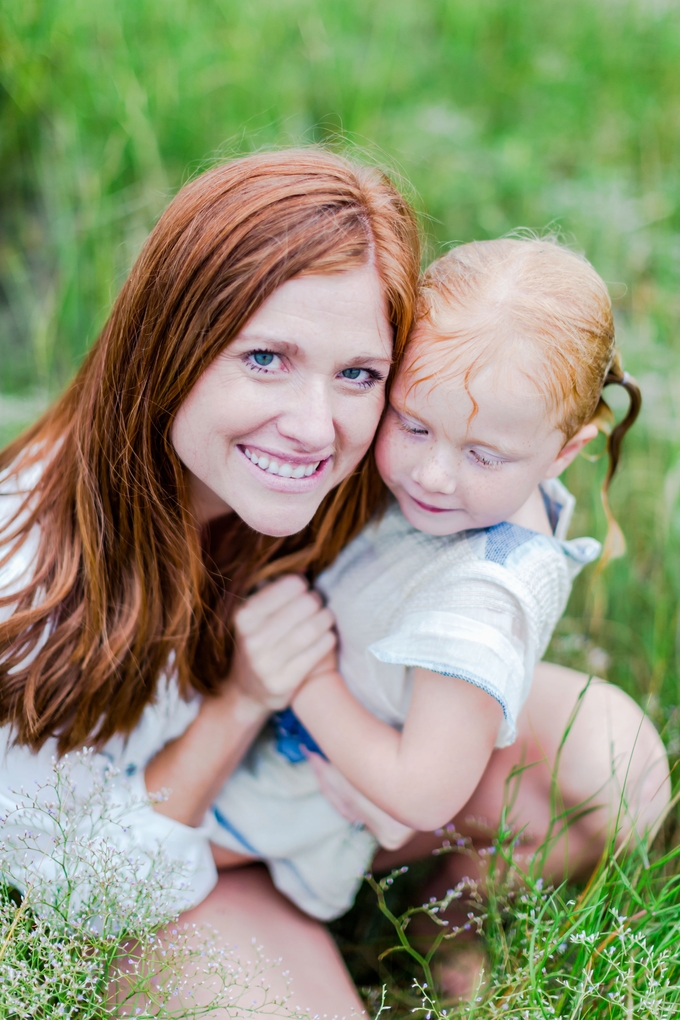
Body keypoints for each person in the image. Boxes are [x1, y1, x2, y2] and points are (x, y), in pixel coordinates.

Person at [0, 148, 421, 1015]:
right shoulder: (24, 585)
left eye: (357, 374)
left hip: (296, 800)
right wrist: (241, 702)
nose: (315, 429)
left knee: (609, 768)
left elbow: (520, 450)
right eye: (265, 358)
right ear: (171, 344)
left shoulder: (375, 457)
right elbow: (84, 897)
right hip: (165, 863)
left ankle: (457, 955)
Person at [207, 240, 671, 942]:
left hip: (296, 795)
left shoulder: (481, 600)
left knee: (137, 850)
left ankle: (436, 940)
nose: (432, 475)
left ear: (565, 452)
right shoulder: (480, 477)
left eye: (482, 455)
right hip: (305, 726)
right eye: (413, 425)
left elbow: (422, 791)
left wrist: (306, 675)